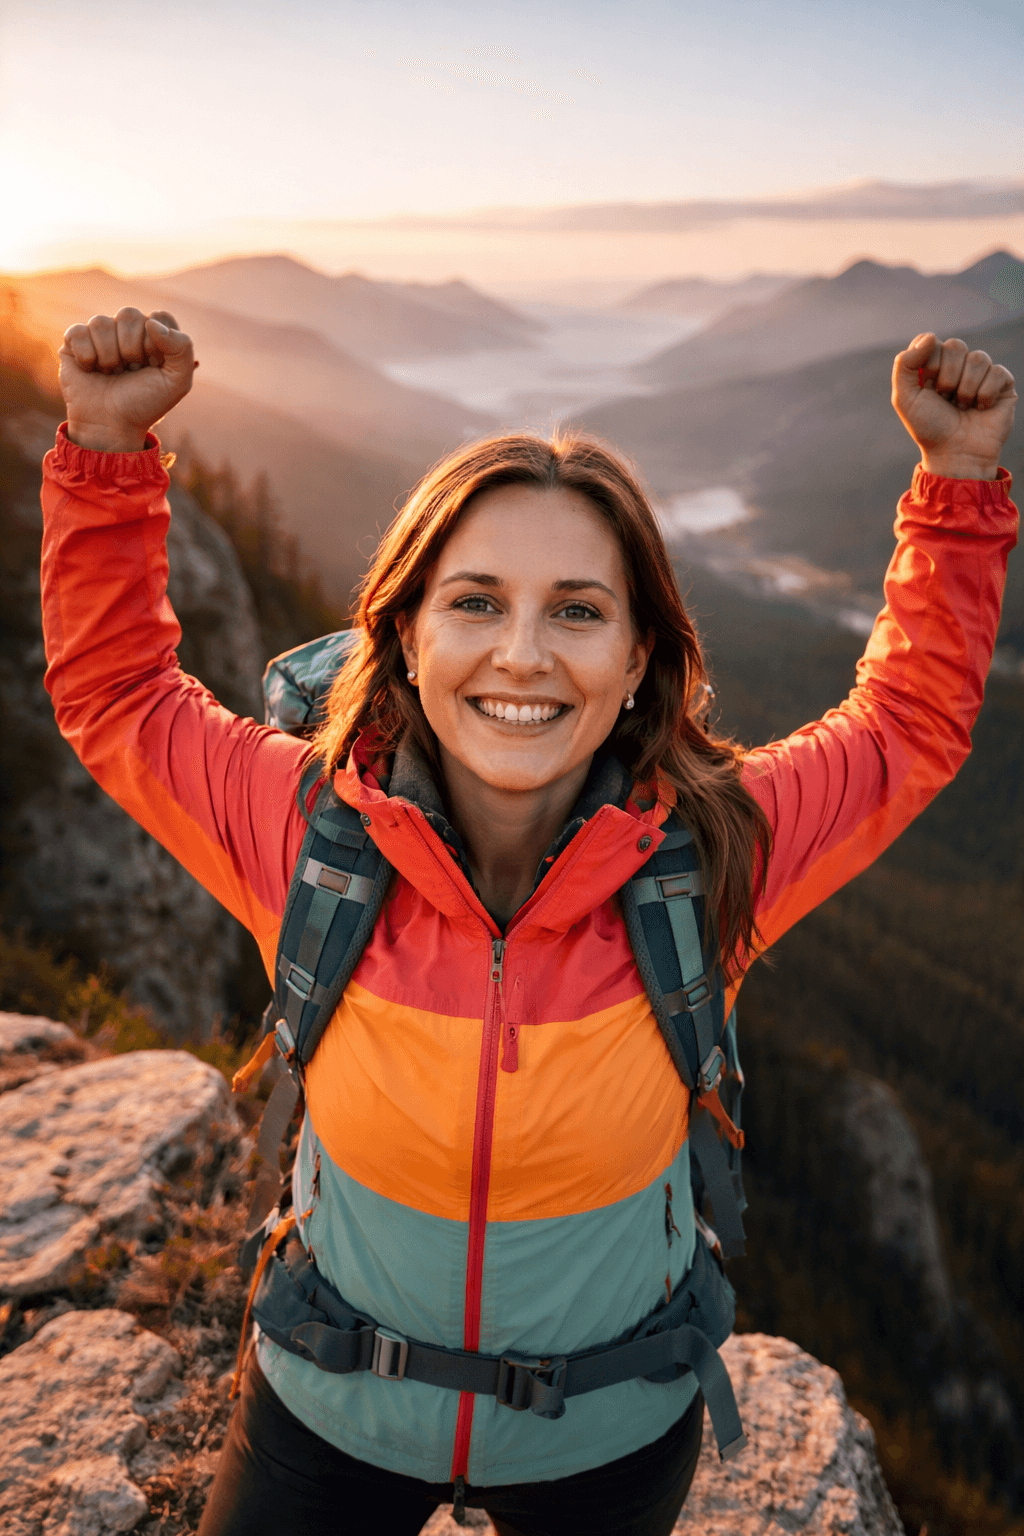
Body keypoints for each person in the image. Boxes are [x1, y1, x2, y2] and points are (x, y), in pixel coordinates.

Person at [43, 305, 1016, 1536]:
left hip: (602, 1435)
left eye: (576, 611)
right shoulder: (302, 835)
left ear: (636, 664)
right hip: (328, 1409)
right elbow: (118, 690)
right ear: (404, 634)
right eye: (474, 603)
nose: (521, 655)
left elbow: (905, 726)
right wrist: (105, 447)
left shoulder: (709, 861)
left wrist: (957, 476)